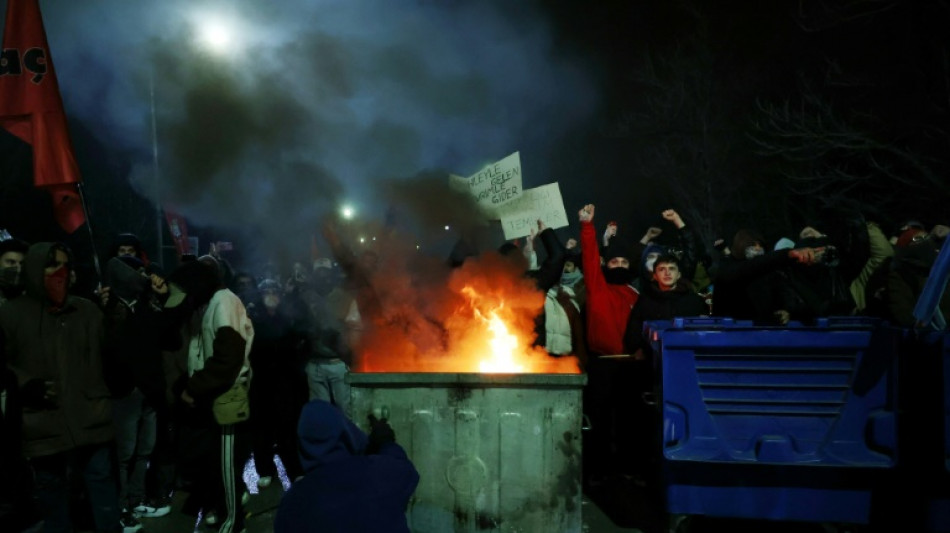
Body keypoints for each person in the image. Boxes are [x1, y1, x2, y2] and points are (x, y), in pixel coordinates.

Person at [0, 242, 130, 532]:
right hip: (43, 421)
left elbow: (113, 354)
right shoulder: (11, 314)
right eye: (50, 265)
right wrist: (27, 385)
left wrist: (115, 316)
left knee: (101, 489)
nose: (59, 272)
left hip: (90, 417)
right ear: (34, 269)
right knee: (52, 496)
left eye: (64, 265)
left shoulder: (86, 310)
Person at [165, 257, 254, 533]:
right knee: (216, 461)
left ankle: (232, 521)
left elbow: (227, 359)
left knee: (227, 464)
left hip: (225, 397)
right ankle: (224, 509)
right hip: (213, 395)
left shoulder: (223, 302)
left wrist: (194, 387)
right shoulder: (210, 303)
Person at [274, 399, 420, 533]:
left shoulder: (291, 503)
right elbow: (408, 473)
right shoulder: (376, 472)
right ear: (345, 432)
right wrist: (386, 442)